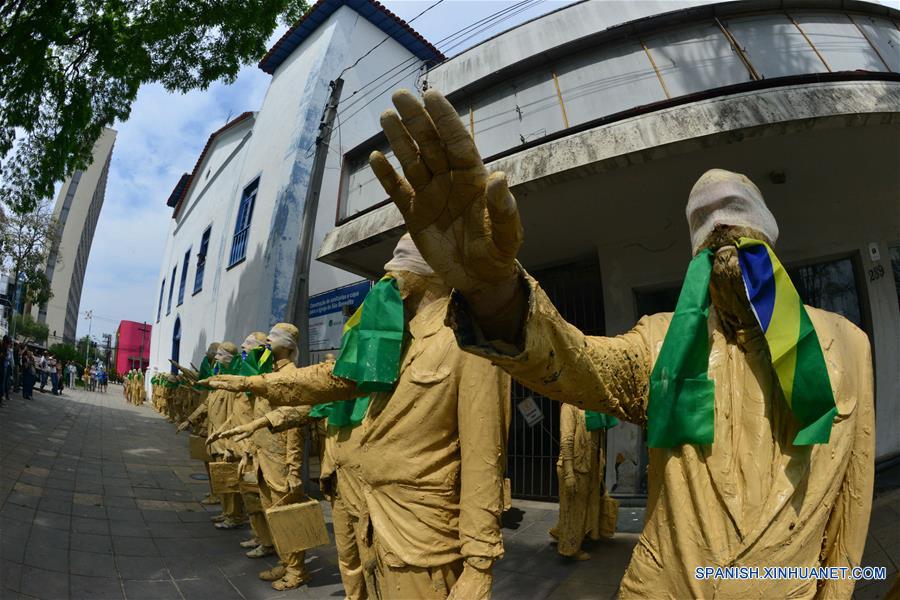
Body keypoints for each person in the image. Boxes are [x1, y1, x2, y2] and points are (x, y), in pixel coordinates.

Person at [366, 89, 875, 599]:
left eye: (736, 212)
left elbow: (852, 502)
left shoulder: (848, 344)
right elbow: (578, 362)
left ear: (769, 231)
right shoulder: (661, 340)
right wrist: (491, 291)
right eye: (705, 220)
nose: (722, 226)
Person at [207, 235, 512, 600]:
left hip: (422, 537)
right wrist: (256, 383)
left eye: (400, 261)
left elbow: (484, 461)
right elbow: (333, 380)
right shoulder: (397, 341)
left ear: (434, 268)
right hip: (374, 518)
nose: (390, 271)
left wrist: (480, 564)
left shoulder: (469, 343)